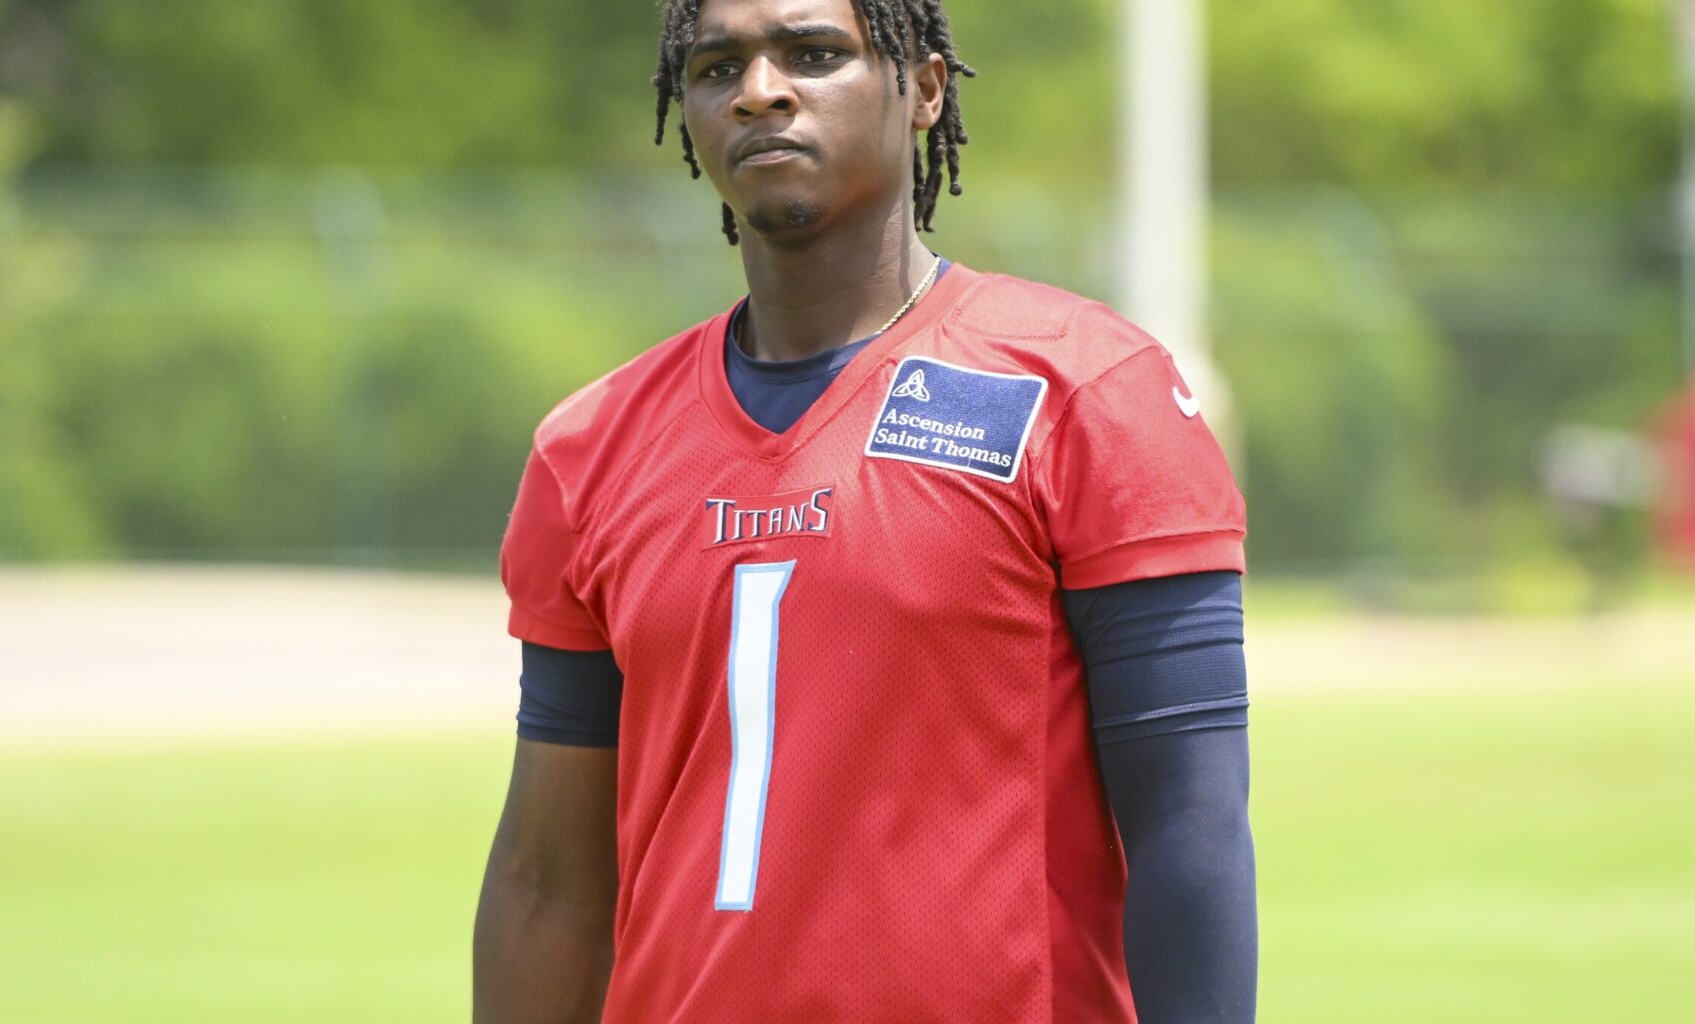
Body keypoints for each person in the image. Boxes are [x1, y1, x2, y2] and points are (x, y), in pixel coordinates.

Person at [473, 0, 1256, 1020]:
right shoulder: (592, 446)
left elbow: (1190, 823)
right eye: (717, 68)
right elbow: (549, 879)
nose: (759, 92)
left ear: (925, 89)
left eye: (813, 54)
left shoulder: (1087, 389)